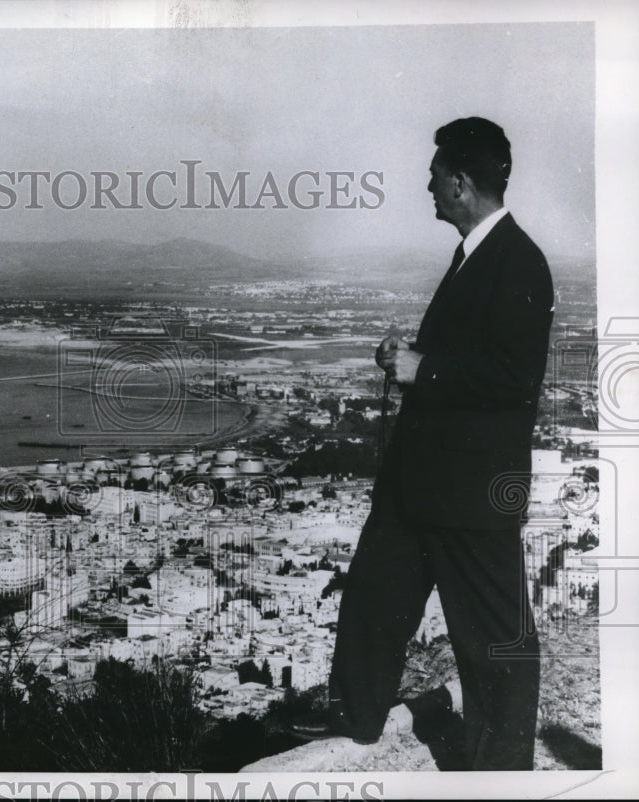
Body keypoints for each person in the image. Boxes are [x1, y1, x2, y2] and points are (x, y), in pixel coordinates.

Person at [288, 117, 553, 771]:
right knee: (374, 601)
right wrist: (409, 358)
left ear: (460, 182)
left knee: (494, 642)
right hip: (422, 488)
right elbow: (472, 360)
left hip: (471, 498)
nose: (426, 184)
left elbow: (513, 378)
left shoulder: (518, 260)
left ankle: (503, 769)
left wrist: (421, 369)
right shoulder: (475, 257)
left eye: (435, 174)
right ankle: (355, 718)